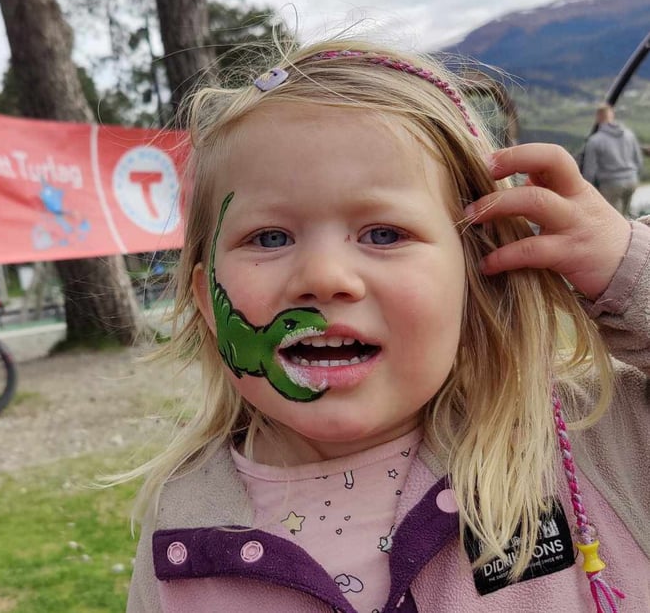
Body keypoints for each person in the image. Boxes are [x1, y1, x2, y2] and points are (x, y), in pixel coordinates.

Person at [121, 40, 649, 612]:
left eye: (384, 234)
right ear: (206, 297)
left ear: (473, 273)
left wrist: (626, 268)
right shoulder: (181, 526)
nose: (324, 277)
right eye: (269, 238)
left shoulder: (593, 440)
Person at [581, 104, 643, 216]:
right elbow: (639, 160)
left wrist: (587, 190)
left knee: (615, 219)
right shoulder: (629, 135)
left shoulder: (594, 140)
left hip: (611, 185)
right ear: (612, 115)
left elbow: (589, 171)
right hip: (632, 181)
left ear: (598, 118)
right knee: (626, 216)